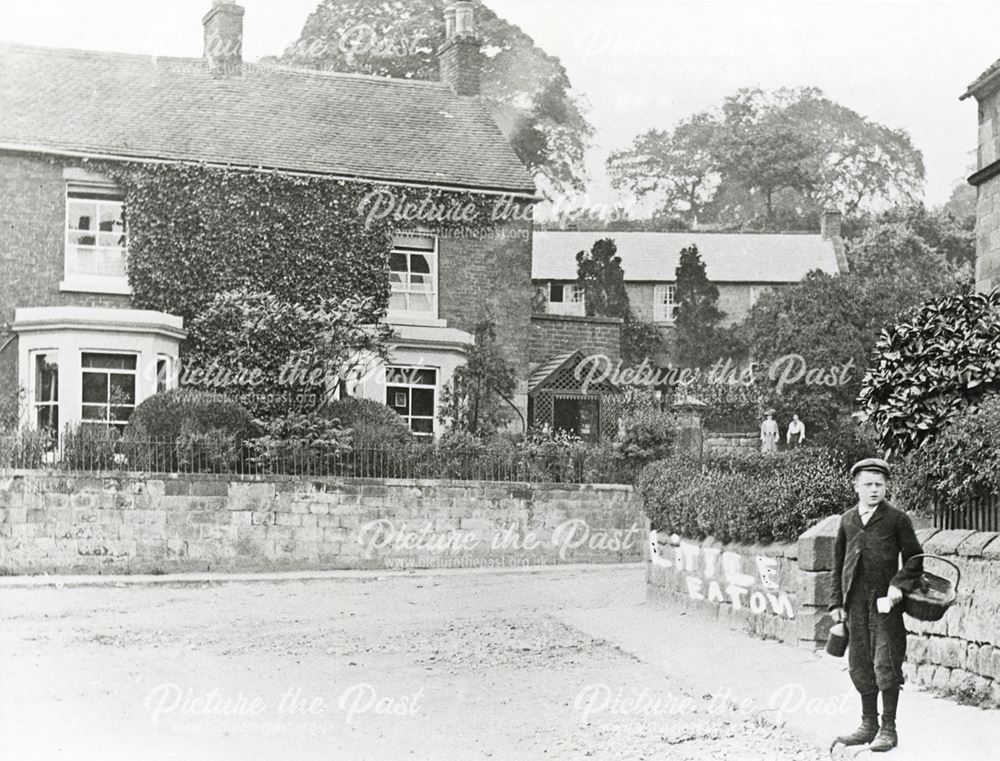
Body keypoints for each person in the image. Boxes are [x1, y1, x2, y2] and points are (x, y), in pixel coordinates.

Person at [829, 458, 924, 753]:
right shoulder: (847, 520)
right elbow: (837, 563)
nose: (873, 490)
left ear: (886, 487)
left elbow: (915, 560)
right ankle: (868, 724)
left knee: (886, 662)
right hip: (855, 603)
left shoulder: (897, 519)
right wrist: (836, 603)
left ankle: (889, 727)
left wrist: (898, 584)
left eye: (879, 485)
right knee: (860, 664)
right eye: (868, 484)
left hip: (885, 603)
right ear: (855, 486)